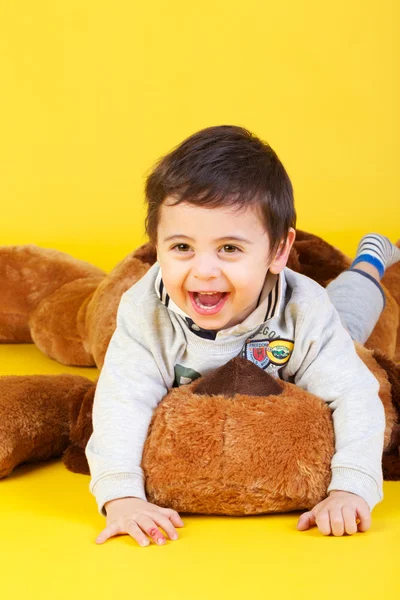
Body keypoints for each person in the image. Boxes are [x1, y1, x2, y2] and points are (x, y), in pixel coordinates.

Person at [85, 125, 400, 546]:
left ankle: (369, 261)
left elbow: (355, 396)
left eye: (229, 248)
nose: (203, 270)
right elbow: (120, 401)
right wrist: (121, 495)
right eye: (181, 247)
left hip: (307, 321)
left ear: (278, 251)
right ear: (156, 244)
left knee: (353, 316)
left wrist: (351, 487)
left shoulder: (304, 312)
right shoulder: (146, 313)